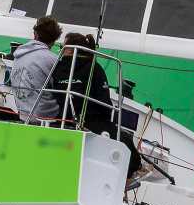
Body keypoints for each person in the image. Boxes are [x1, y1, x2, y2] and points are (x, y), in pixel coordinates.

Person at [50, 32, 142, 176]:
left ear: (69, 49)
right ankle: (128, 176)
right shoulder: (94, 68)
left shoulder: (56, 68)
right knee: (128, 148)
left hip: (61, 119)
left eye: (62, 46)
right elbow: (104, 103)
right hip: (91, 122)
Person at [10, 15, 61, 123]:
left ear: (35, 34)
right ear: (55, 39)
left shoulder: (18, 56)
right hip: (48, 120)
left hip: (23, 116)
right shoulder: (54, 60)